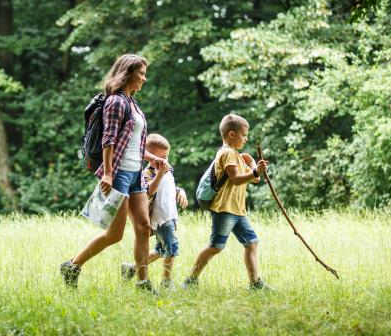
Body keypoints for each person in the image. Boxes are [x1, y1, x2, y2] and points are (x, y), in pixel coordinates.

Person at [60, 54, 168, 293]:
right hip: (118, 173)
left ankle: (142, 282)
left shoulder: (133, 103)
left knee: (143, 227)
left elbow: (132, 143)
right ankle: (72, 265)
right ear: (128, 73)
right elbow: (109, 140)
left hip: (135, 173)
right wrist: (108, 173)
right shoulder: (116, 102)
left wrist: (154, 159)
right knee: (115, 234)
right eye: (141, 73)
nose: (144, 78)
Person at [182, 113, 270, 290]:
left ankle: (255, 284)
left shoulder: (236, 155)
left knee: (251, 242)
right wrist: (255, 171)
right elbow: (237, 178)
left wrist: (253, 164)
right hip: (224, 209)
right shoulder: (227, 153)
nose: (246, 139)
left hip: (238, 211)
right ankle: (190, 280)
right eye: (244, 135)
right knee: (216, 246)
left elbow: (255, 179)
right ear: (232, 134)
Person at [120, 134, 188, 289]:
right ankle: (166, 282)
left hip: (169, 214)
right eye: (161, 157)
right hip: (158, 217)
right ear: (150, 158)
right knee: (172, 247)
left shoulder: (168, 169)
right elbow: (149, 191)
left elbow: (169, 188)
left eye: (166, 156)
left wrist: (180, 191)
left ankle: (131, 268)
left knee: (160, 249)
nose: (165, 160)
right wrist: (160, 172)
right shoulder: (147, 174)